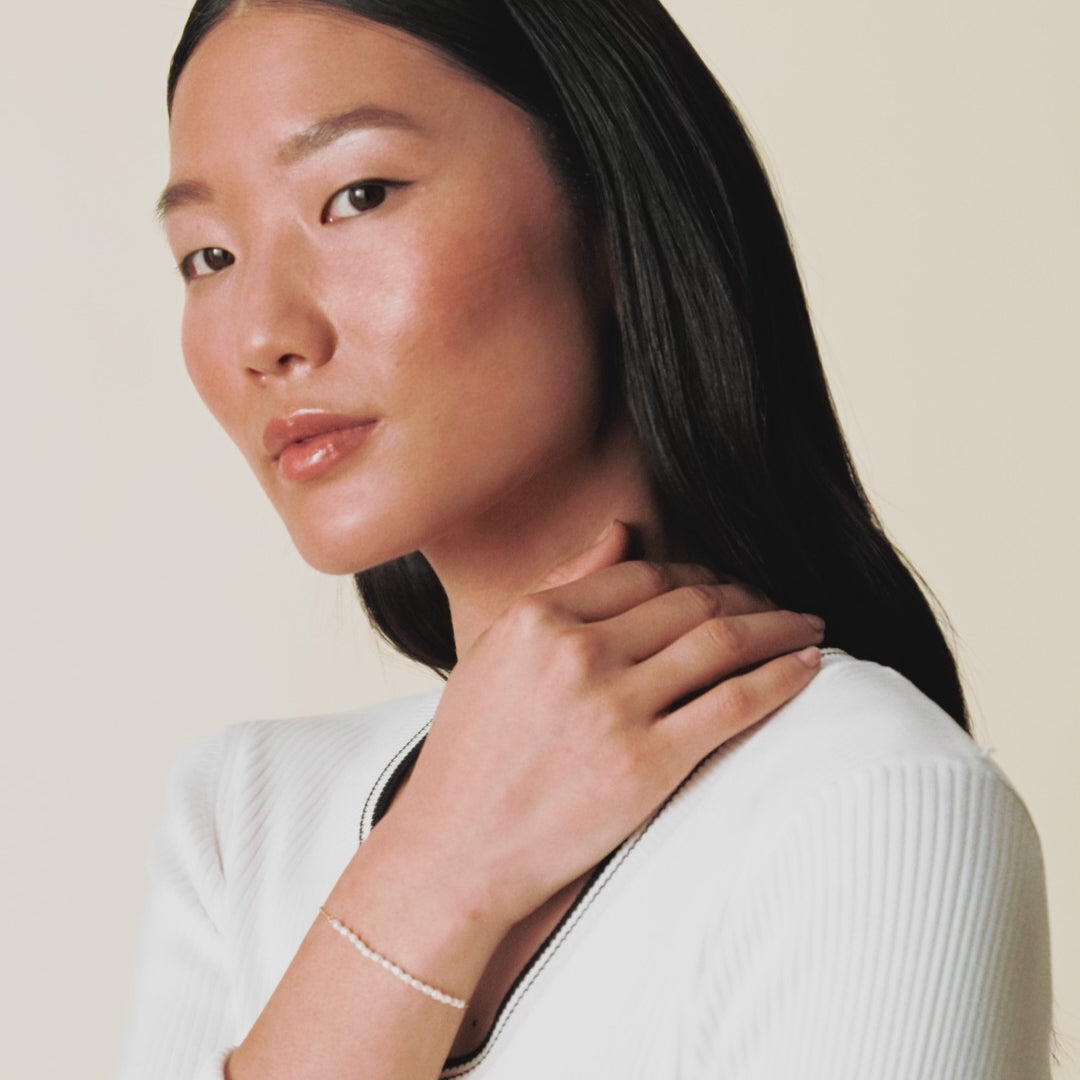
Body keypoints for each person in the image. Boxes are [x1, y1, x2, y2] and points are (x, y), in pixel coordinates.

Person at [115, 1, 1053, 1077]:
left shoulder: (867, 799)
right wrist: (428, 874)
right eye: (209, 255)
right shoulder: (241, 818)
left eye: (357, 195)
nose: (263, 333)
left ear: (611, 213)